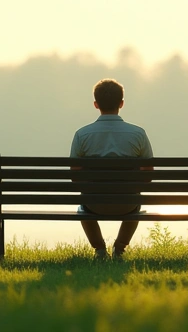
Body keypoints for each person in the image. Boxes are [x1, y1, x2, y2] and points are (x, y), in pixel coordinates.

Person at [70, 78, 154, 259]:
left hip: (93, 204)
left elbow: (75, 177)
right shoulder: (138, 134)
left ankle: (100, 250)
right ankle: (119, 249)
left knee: (82, 205)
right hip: (128, 204)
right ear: (121, 103)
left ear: (96, 104)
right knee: (137, 199)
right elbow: (148, 175)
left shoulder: (82, 134)